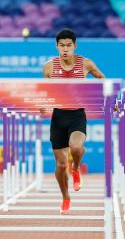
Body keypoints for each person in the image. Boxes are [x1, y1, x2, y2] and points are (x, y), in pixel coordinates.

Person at [42, 28, 105, 214]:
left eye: (69, 45)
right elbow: (45, 91)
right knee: (61, 165)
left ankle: (76, 168)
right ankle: (65, 197)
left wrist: (104, 98)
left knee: (76, 147)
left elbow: (102, 79)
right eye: (62, 45)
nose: (65, 49)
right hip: (58, 116)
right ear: (57, 46)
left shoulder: (85, 63)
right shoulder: (49, 67)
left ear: (75, 46)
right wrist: (43, 104)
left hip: (77, 115)